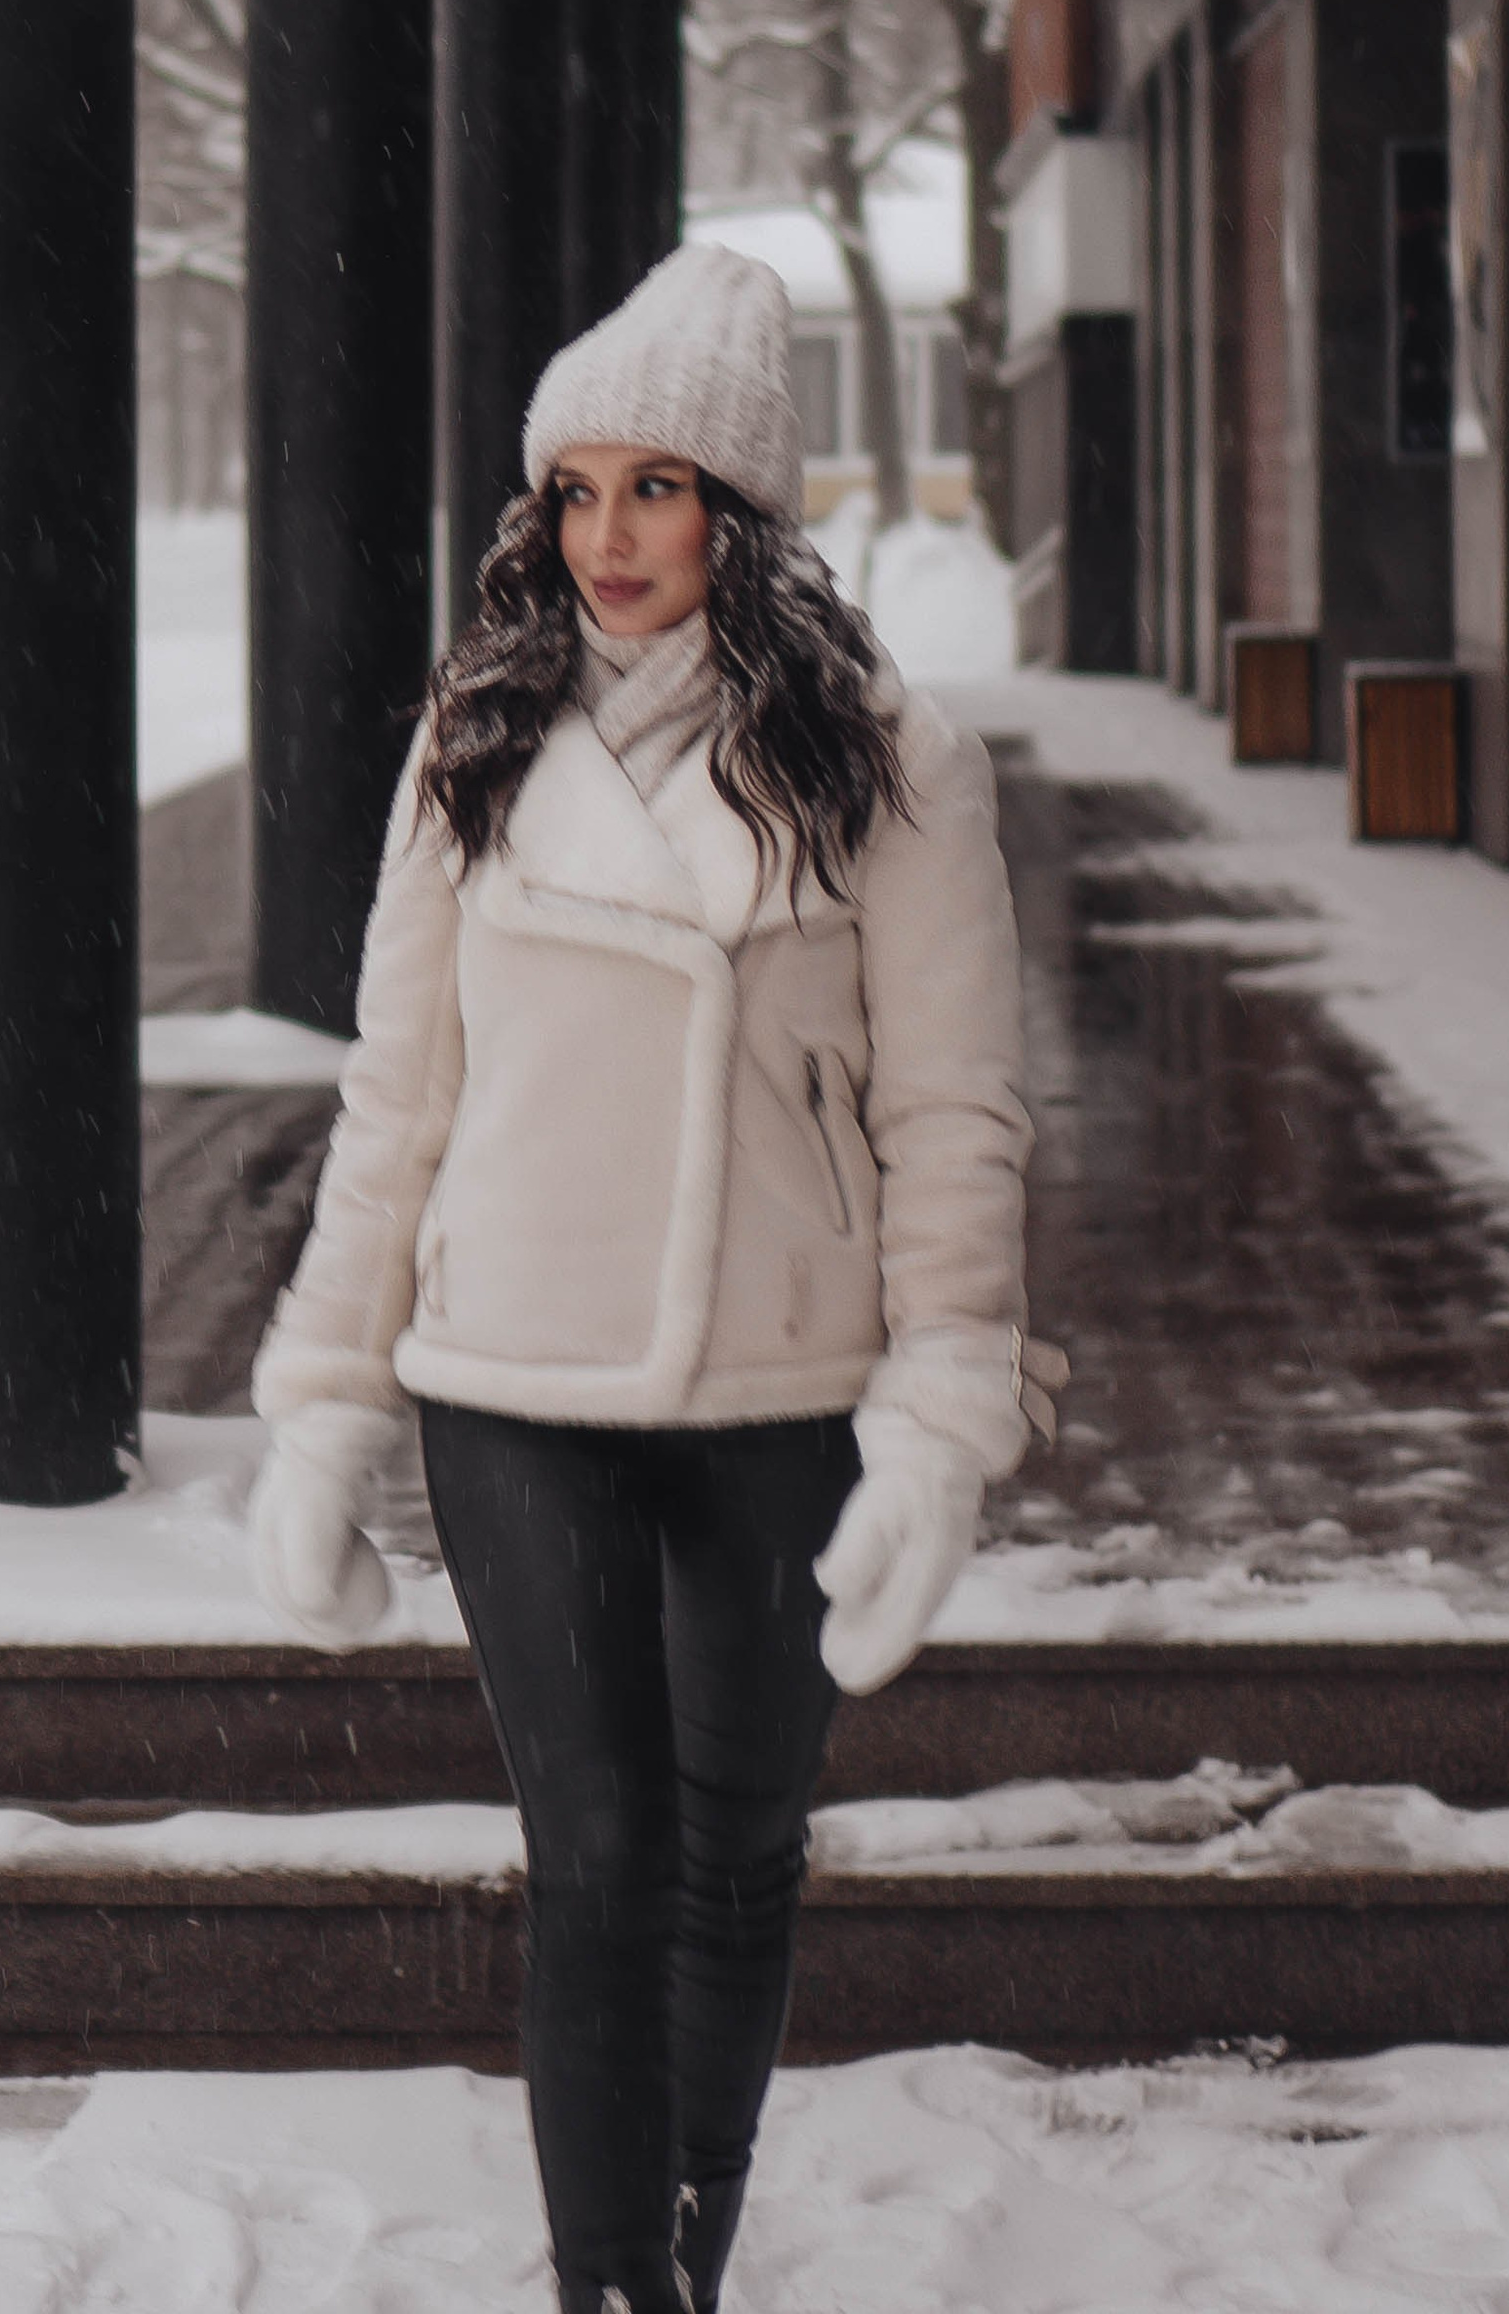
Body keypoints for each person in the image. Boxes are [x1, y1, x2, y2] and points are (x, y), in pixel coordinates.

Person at [247, 242, 1062, 2314]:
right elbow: (394, 1097)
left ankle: (685, 2231)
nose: (610, 539)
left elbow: (951, 1117)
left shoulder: (886, 763)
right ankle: (607, 2283)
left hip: (783, 1385)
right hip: (510, 1379)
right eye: (579, 489)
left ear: (739, 511)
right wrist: (326, 1404)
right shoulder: (475, 742)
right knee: (596, 1861)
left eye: (659, 488)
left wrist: (941, 1418)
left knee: (735, 1852)